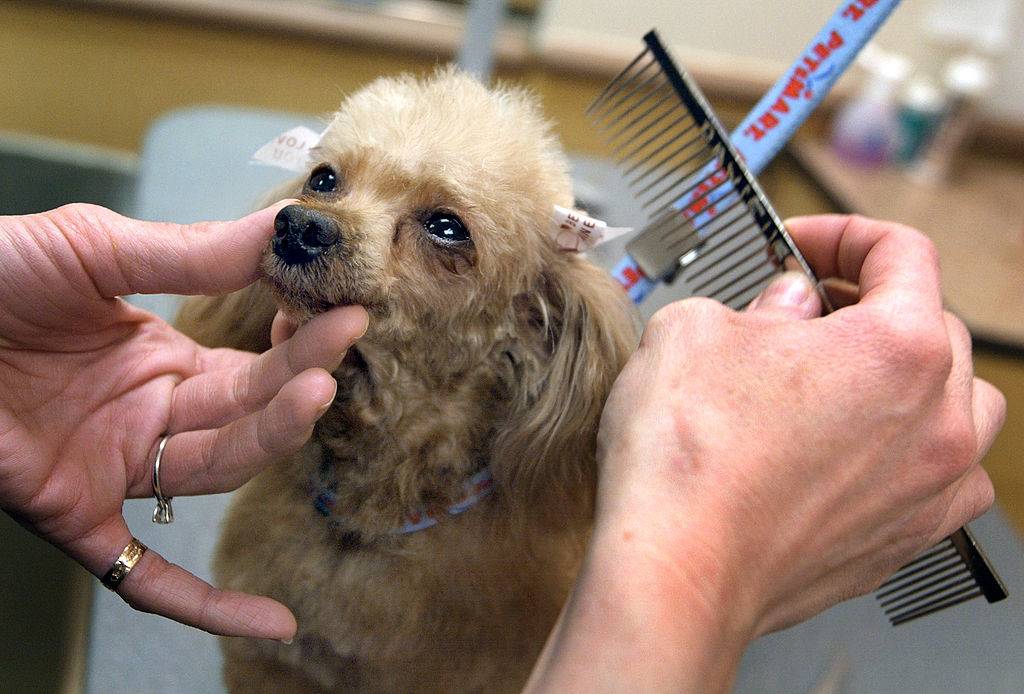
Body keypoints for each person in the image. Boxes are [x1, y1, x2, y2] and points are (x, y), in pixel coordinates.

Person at [0, 203, 1004, 690]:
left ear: (529, 324)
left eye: (442, 226)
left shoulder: (521, 570)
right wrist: (712, 554)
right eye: (328, 182)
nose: (328, 221)